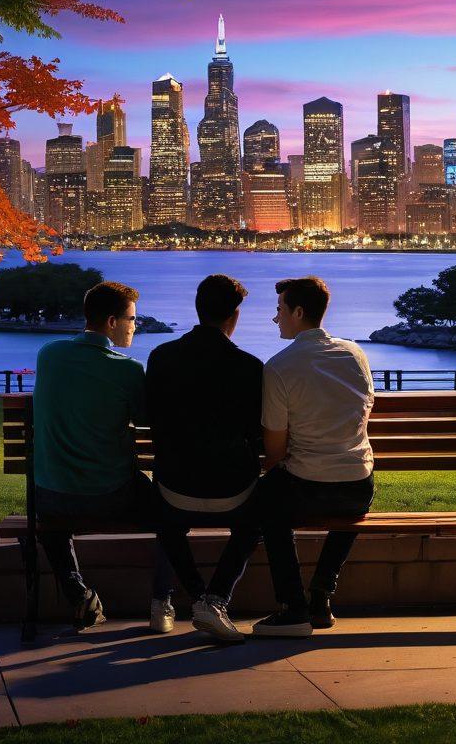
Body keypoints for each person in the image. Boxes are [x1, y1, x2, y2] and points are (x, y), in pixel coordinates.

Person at [33, 280, 174, 633]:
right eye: (131, 319)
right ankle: (161, 602)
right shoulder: (126, 369)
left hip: (51, 495)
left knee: (53, 516)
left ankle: (79, 595)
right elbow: (145, 419)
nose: (135, 326)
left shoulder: (49, 354)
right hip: (110, 494)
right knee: (172, 516)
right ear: (112, 322)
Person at [252, 276, 375, 638]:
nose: (276, 319)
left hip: (306, 485)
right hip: (358, 485)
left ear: (299, 312)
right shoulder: (355, 354)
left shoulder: (278, 367)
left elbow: (274, 451)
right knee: (348, 505)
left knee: (266, 506)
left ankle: (293, 607)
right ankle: (321, 594)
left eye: (279, 311)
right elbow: (364, 411)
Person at [147, 274, 263, 644]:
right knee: (254, 521)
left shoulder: (161, 357)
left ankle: (198, 596)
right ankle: (213, 599)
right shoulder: (248, 366)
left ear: (197, 309)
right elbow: (257, 432)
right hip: (233, 489)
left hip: (174, 485)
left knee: (167, 522)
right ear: (235, 316)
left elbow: (151, 417)